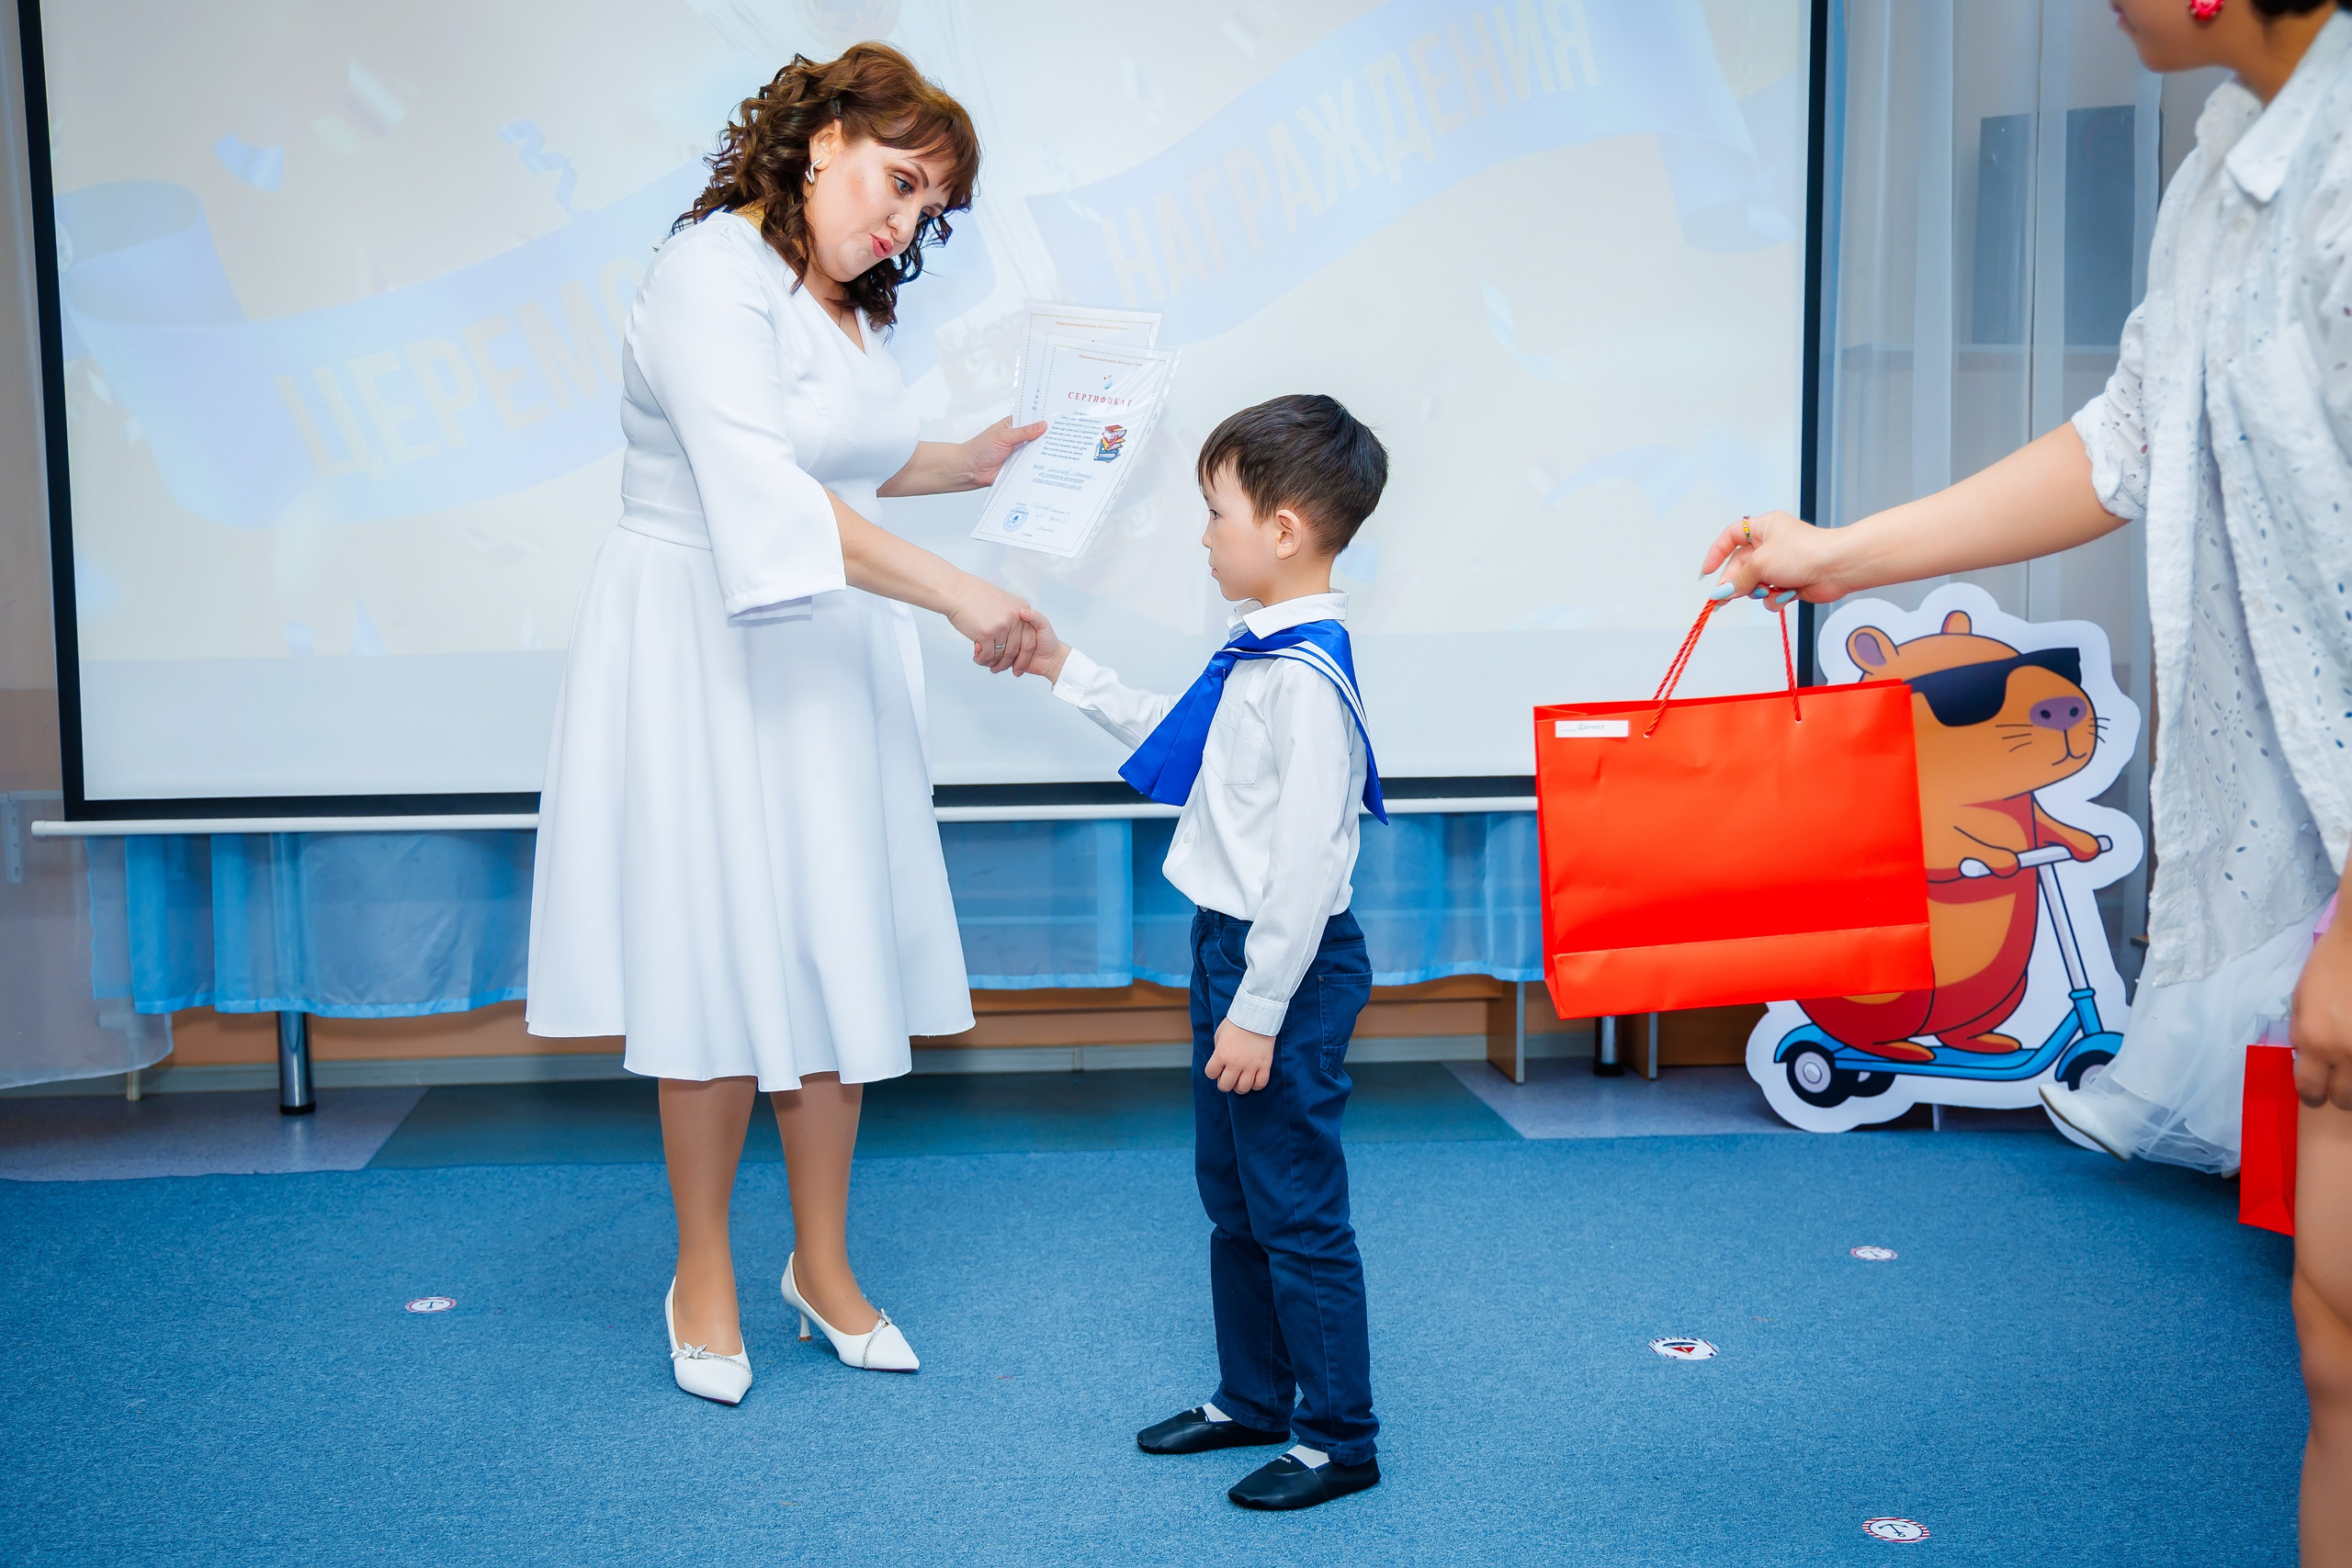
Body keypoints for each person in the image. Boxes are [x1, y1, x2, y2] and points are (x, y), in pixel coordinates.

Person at [1705, 0, 2352, 1554]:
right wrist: (1837, 554)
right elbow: (2126, 442)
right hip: (2317, 831)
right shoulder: (2219, 174)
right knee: (2335, 1349)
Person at [525, 44, 1045, 1404]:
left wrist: (968, 460)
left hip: (824, 647)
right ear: (820, 137)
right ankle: (701, 1268)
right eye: (899, 178)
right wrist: (960, 592)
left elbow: (845, 454)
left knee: (833, 951)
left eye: (932, 206)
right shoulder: (709, 270)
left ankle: (821, 1264)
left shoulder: (843, 294)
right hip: (701, 639)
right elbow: (760, 487)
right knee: (710, 959)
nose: (907, 219)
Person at [1015, 395, 1390, 1511]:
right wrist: (1059, 666)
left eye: (1214, 510)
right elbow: (1173, 736)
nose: (1202, 533)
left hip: (1288, 969)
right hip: (1228, 950)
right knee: (1231, 1191)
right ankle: (1254, 1396)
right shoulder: (1254, 658)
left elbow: (1310, 873)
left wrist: (1260, 1009)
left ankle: (1339, 1438)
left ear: (1281, 529)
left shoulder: (1308, 680)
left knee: (1296, 1206)